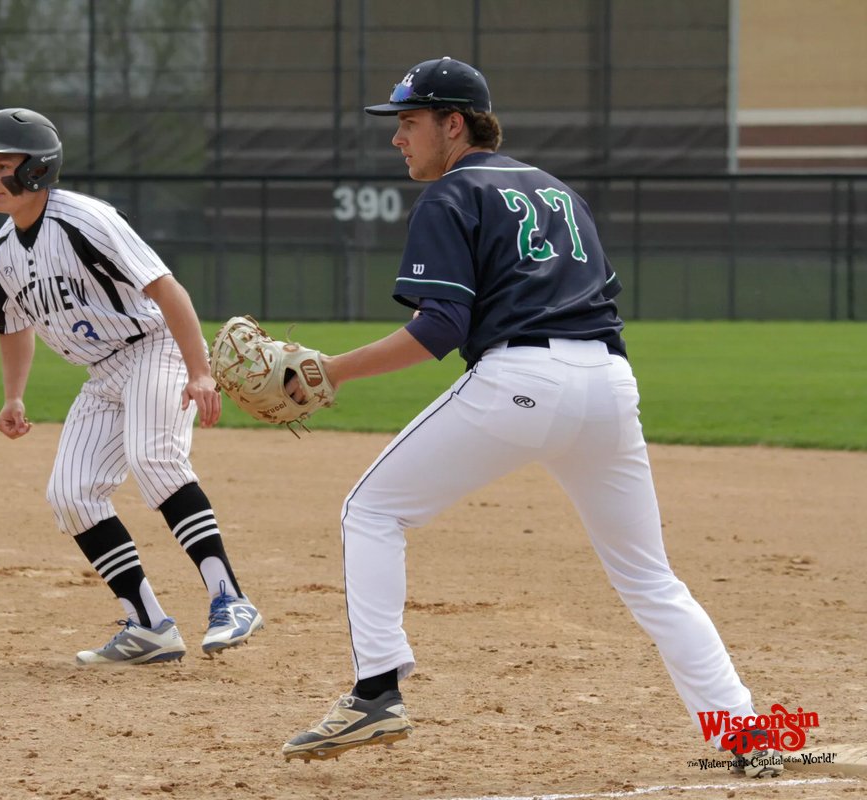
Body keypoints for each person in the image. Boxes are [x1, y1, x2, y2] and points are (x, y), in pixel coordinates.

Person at [280, 58, 782, 777]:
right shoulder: (556, 190)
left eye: (410, 122)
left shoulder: (451, 195)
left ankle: (376, 690)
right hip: (609, 383)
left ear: (454, 124)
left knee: (372, 511)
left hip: (522, 380)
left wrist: (329, 370)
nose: (398, 138)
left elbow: (438, 330)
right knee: (650, 579)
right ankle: (744, 732)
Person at [0, 107, 263, 665]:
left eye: (4, 164)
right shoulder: (2, 253)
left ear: (38, 170)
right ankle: (148, 624)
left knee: (154, 457)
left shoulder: (87, 221)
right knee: (70, 494)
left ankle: (230, 598)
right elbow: (12, 327)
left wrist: (199, 371)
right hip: (103, 373)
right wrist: (13, 396)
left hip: (155, 348)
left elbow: (170, 292)